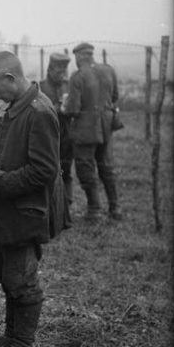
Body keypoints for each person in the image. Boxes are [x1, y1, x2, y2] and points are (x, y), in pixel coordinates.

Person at [0, 51, 63, 347]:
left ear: (11, 79)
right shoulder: (14, 107)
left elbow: (44, 170)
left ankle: (24, 345)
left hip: (26, 209)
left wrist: (0, 182)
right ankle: (11, 336)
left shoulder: (40, 111)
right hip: (8, 207)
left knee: (21, 277)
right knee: (4, 272)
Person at [66, 42, 122, 221]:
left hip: (85, 129)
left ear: (80, 56)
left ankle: (94, 210)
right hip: (106, 127)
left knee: (86, 168)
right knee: (107, 167)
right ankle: (115, 208)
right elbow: (115, 98)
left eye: (76, 57)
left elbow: (73, 109)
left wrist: (63, 106)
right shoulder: (108, 70)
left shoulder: (78, 77)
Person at [40, 52, 74, 229]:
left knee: (66, 173)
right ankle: (51, 214)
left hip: (67, 137)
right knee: (50, 174)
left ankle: (65, 212)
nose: (62, 73)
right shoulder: (41, 87)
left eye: (64, 70)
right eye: (58, 70)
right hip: (48, 139)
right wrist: (56, 108)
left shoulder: (69, 86)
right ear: (50, 69)